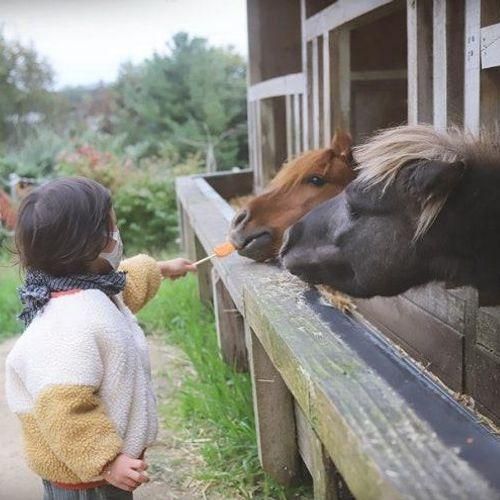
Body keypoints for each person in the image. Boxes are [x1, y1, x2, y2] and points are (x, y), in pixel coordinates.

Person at [5, 177, 196, 499]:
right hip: (84, 475)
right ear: (87, 243)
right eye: (112, 225)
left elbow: (125, 286)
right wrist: (108, 462)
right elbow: (64, 409)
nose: (117, 233)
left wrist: (161, 268)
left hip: (99, 467)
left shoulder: (88, 290)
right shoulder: (69, 324)